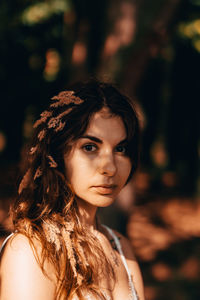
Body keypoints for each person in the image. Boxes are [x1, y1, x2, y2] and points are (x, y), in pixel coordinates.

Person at [0, 80, 145, 300]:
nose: (110, 167)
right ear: (57, 154)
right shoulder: (31, 251)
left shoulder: (121, 248)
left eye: (121, 149)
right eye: (90, 147)